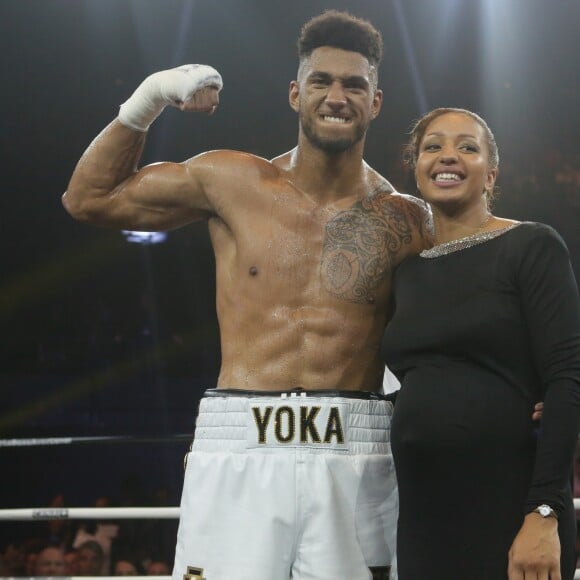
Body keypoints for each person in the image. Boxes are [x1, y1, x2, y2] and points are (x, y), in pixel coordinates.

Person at [62, 9, 433, 580]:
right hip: (241, 437)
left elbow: (471, 304)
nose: (338, 96)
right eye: (322, 82)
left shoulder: (407, 219)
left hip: (356, 446)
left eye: (355, 85)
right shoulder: (231, 181)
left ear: (375, 102)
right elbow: (88, 198)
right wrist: (152, 94)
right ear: (295, 94)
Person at [382, 107, 580, 579]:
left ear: (490, 175)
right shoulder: (407, 273)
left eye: (467, 147)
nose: (448, 156)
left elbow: (568, 376)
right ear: (416, 167)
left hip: (511, 509)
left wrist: (545, 512)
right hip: (422, 516)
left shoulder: (531, 246)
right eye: (433, 146)